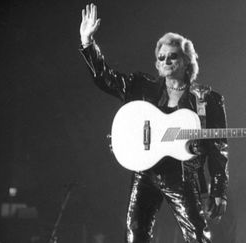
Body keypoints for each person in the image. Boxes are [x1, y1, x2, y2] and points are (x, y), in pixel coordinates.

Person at [79, 4, 229, 243]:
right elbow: (106, 78)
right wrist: (88, 43)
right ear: (157, 63)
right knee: (136, 234)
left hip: (182, 174)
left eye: (173, 56)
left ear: (187, 61)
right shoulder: (142, 86)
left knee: (198, 237)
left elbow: (218, 147)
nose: (166, 60)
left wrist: (219, 190)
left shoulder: (207, 99)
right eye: (161, 57)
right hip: (145, 172)